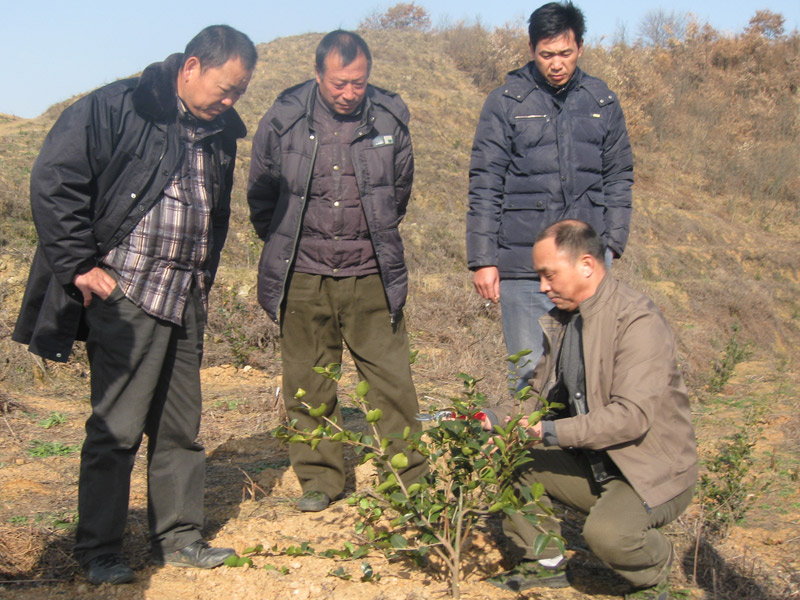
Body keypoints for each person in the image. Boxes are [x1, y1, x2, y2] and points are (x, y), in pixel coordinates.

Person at [13, 25, 257, 585]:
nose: (231, 101)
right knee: (115, 430)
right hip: (127, 295)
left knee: (181, 429)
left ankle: (177, 537)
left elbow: (213, 214)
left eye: (240, 93)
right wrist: (78, 263)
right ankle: (99, 551)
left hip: (185, 296)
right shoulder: (116, 107)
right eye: (225, 88)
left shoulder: (220, 131)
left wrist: (204, 280)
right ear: (191, 66)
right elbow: (55, 180)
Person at [247, 30, 425, 513]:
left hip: (370, 274)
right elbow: (262, 196)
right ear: (318, 73)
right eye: (339, 83)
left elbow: (398, 192)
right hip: (303, 275)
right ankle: (320, 480)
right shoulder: (283, 119)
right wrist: (290, 244)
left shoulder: (391, 119)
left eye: (358, 83)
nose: (349, 93)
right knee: (308, 384)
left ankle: (407, 479)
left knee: (392, 382)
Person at [482, 220, 697, 599]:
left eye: (549, 275)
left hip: (650, 473)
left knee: (607, 536)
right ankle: (544, 562)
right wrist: (495, 418)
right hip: (596, 463)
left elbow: (630, 417)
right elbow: (536, 395)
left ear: (586, 265)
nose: (543, 287)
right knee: (512, 455)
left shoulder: (636, 320)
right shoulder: (566, 319)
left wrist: (546, 432)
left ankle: (654, 572)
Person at [466, 1, 633, 393]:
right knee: (530, 376)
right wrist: (483, 260)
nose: (556, 63)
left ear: (580, 48)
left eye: (565, 53)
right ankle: (529, 454)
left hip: (587, 264)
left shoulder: (602, 102)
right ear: (531, 50)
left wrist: (613, 243)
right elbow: (485, 182)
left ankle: (584, 454)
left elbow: (619, 176)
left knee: (592, 377)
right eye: (546, 54)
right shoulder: (505, 102)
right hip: (523, 267)